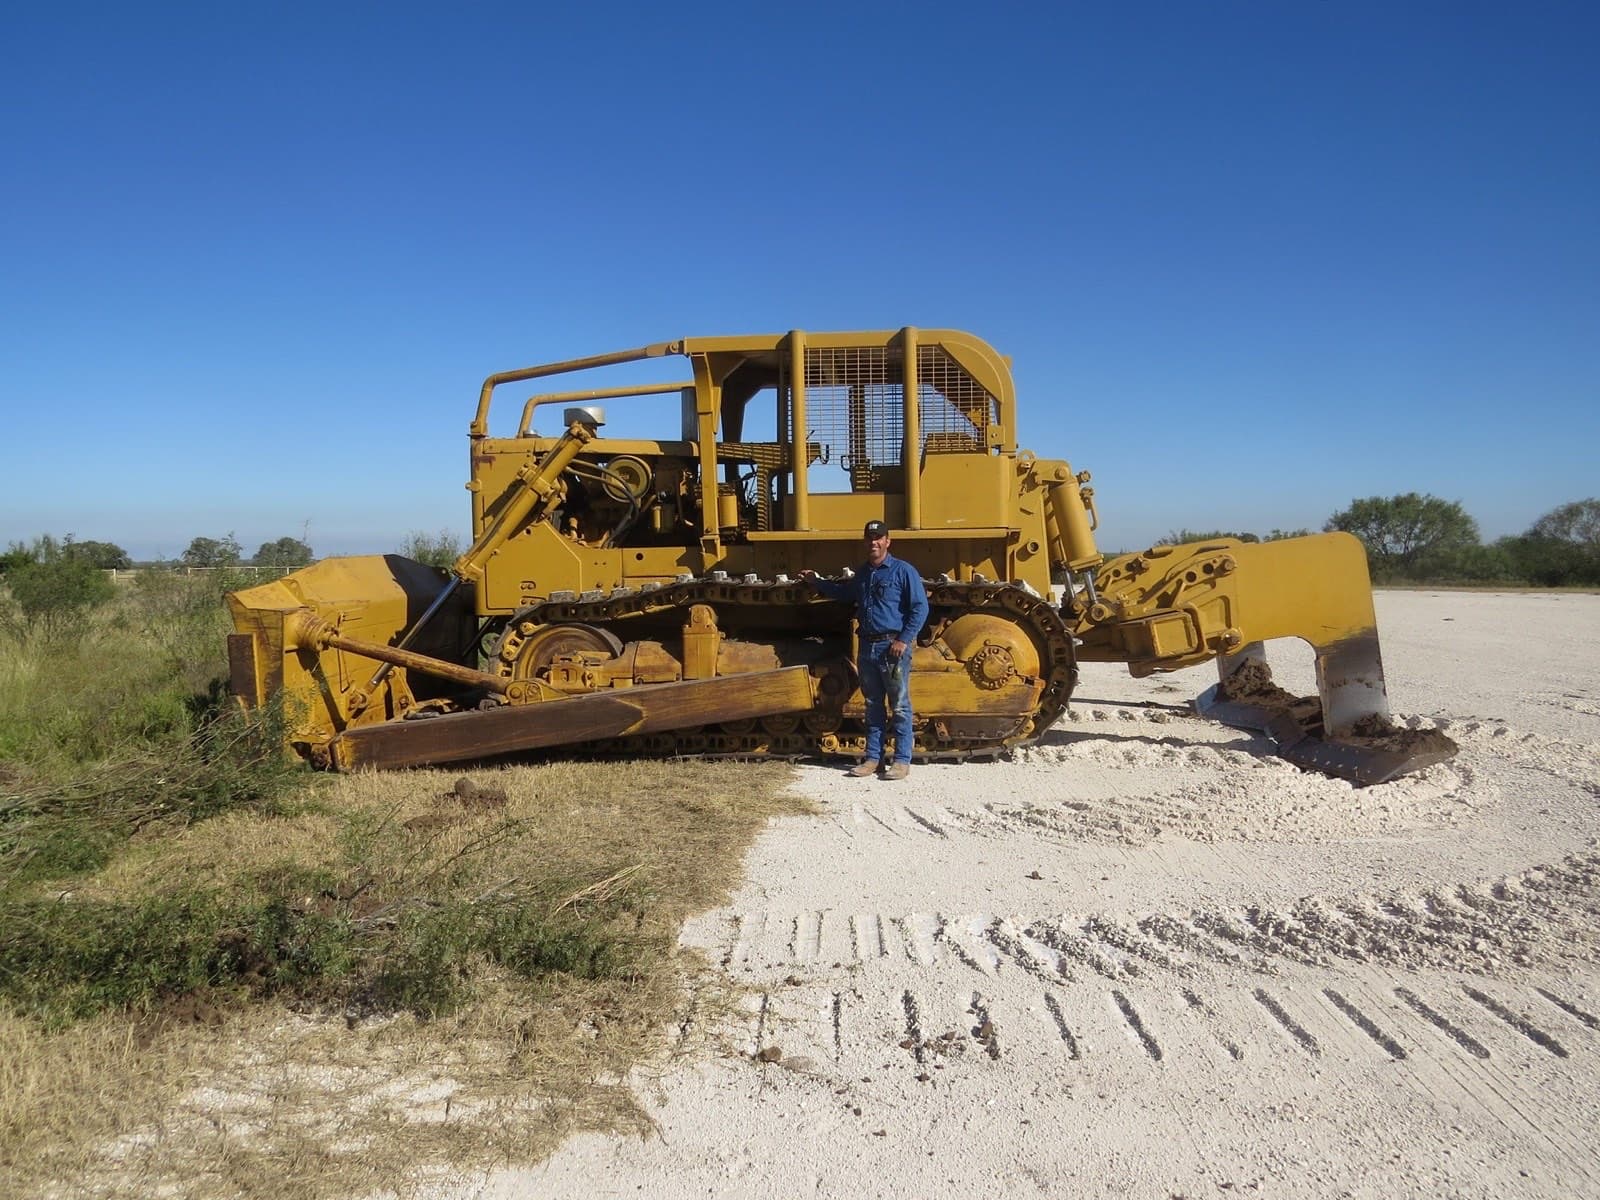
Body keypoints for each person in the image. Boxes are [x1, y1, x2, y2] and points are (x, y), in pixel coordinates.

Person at [799, 520, 929, 780]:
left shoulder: (904, 571)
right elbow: (846, 593)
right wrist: (818, 582)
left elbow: (920, 607)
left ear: (887, 541)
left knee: (900, 706)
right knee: (872, 706)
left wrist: (903, 640)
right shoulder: (864, 574)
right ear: (865, 542)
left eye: (879, 538)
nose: (874, 542)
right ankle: (873, 758)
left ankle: (902, 761)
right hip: (868, 647)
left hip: (892, 649)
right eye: (870, 538)